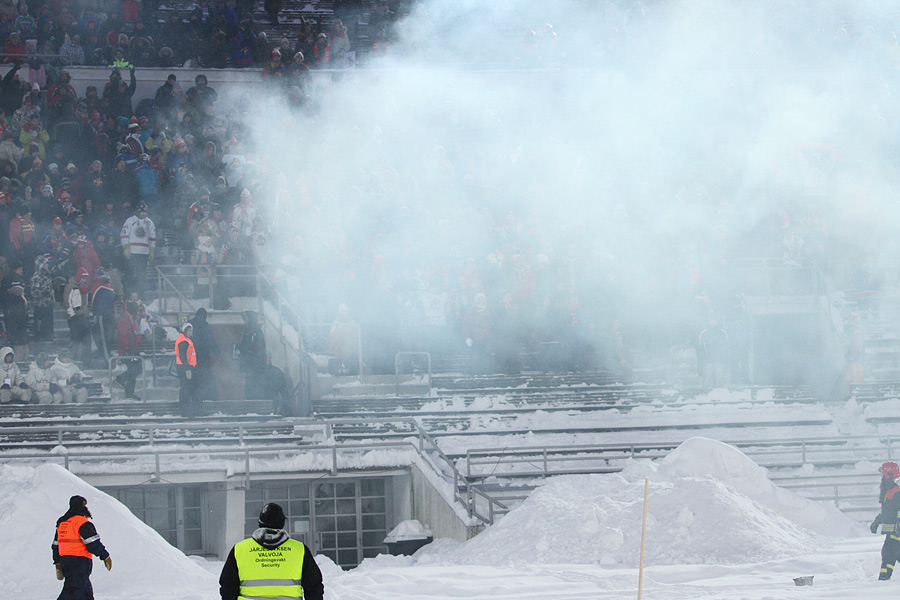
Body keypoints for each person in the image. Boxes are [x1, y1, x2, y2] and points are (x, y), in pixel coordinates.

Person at [219, 502, 323, 600]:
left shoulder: (240, 549)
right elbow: (314, 587)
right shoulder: (299, 549)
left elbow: (228, 587)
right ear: (282, 525)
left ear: (260, 523)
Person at [52, 495, 112, 600]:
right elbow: (92, 543)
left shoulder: (62, 523)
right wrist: (105, 556)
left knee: (85, 593)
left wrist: (57, 563)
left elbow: (56, 545)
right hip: (79, 561)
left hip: (65, 561)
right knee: (71, 591)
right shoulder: (81, 522)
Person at [120, 202, 155, 296]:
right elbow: (124, 234)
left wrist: (152, 251)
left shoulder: (149, 223)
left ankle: (140, 295)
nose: (144, 213)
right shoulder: (130, 221)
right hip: (132, 252)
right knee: (130, 274)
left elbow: (152, 237)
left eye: (145, 212)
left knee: (141, 276)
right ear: (138, 212)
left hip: (143, 253)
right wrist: (126, 248)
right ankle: (128, 295)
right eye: (142, 211)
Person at [872, 461, 900, 580]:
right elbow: (887, 511)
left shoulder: (896, 491)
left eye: (883, 474)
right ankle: (884, 578)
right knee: (890, 554)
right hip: (893, 533)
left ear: (888, 474)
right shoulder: (890, 490)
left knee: (888, 554)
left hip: (896, 533)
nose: (882, 477)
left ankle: (883, 579)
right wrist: (877, 521)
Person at [191, 308, 220, 402]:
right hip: (203, 356)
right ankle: (212, 397)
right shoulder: (205, 325)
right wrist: (216, 350)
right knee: (207, 377)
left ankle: (194, 398)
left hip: (191, 357)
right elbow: (210, 339)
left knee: (194, 379)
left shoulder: (189, 324)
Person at [115, 301, 142, 401]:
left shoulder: (130, 319)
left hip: (132, 348)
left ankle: (130, 392)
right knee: (136, 369)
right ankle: (120, 379)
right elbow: (121, 336)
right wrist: (127, 349)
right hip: (127, 349)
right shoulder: (124, 319)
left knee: (135, 370)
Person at [238, 310, 266, 399]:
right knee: (249, 387)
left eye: (245, 318)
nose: (244, 321)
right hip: (250, 366)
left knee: (253, 388)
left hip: (254, 366)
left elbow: (257, 349)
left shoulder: (255, 332)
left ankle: (254, 406)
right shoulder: (249, 331)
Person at [697, 315, 729, 388]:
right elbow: (700, 349)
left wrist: (725, 359)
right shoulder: (704, 333)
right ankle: (705, 396)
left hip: (719, 360)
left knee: (718, 380)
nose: (713, 322)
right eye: (711, 320)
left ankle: (717, 396)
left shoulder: (722, 333)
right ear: (708, 322)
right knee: (706, 380)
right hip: (707, 361)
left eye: (714, 320)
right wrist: (702, 360)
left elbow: (726, 347)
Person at [176, 321, 199, 416]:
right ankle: (186, 411)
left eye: (191, 330)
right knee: (186, 390)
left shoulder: (184, 339)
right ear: (184, 331)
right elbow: (183, 356)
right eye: (188, 331)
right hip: (185, 368)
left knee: (185, 389)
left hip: (185, 367)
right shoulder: (183, 341)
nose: (190, 332)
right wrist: (187, 369)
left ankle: (186, 410)